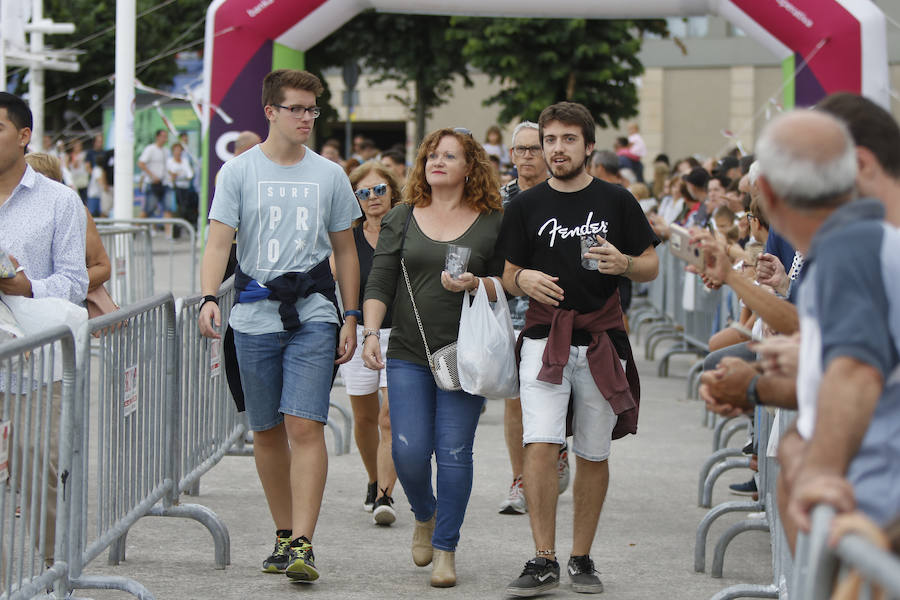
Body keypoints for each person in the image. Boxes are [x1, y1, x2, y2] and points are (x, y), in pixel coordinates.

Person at [198, 69, 361, 584]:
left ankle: (305, 545)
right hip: (253, 314)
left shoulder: (330, 175)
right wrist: (207, 296)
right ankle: (284, 534)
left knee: (304, 425)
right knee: (266, 431)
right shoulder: (238, 172)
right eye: (297, 108)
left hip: (313, 311)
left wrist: (351, 314)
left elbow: (345, 251)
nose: (307, 118)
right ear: (270, 111)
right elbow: (219, 241)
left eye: (313, 109)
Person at [498, 102, 659, 596]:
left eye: (568, 139)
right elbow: (505, 272)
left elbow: (651, 264)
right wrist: (522, 277)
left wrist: (624, 263)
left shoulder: (616, 200)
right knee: (540, 444)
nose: (557, 148)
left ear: (589, 146)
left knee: (592, 452)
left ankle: (581, 558)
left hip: (601, 342)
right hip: (544, 340)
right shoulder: (524, 206)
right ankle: (543, 557)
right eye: (550, 139)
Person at [361, 127, 504, 588]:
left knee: (456, 452)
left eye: (450, 155)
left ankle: (446, 549)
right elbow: (381, 280)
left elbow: (511, 281)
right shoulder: (402, 216)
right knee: (408, 451)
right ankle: (425, 513)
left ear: (469, 167)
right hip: (407, 350)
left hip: (466, 355)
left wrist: (476, 284)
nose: (437, 161)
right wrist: (369, 333)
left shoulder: (491, 220)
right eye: (432, 155)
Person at [0, 92, 89, 570]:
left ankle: (56, 569)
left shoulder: (58, 201)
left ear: (23, 135)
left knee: (37, 467)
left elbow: (75, 281)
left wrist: (25, 285)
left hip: (32, 363)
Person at [497, 121, 569, 517]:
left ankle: (556, 447)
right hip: (508, 311)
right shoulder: (498, 200)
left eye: (533, 149)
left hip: (553, 313)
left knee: (555, 393)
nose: (527, 156)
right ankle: (520, 479)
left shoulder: (561, 196)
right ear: (511, 155)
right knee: (514, 401)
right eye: (520, 149)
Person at [339, 161, 401, 525]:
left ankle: (385, 496)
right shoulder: (347, 237)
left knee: (389, 418)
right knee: (364, 418)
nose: (372, 197)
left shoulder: (408, 229)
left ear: (392, 191)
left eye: (379, 189)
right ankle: (374, 477)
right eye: (363, 192)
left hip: (400, 334)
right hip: (360, 332)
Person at [138, 129, 171, 223]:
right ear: (157, 137)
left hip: (164, 183)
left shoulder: (166, 151)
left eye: (166, 137)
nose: (165, 139)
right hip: (152, 183)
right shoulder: (150, 149)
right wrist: (152, 176)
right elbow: (141, 163)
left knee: (168, 208)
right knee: (148, 209)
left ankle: (169, 235)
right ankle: (135, 229)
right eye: (163, 136)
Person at [167, 142, 196, 233]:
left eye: (180, 150)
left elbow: (189, 174)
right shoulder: (169, 161)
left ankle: (186, 229)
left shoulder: (185, 161)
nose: (178, 152)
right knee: (177, 210)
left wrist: (179, 175)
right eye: (176, 150)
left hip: (185, 189)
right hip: (175, 189)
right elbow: (171, 175)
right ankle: (175, 232)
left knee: (186, 209)